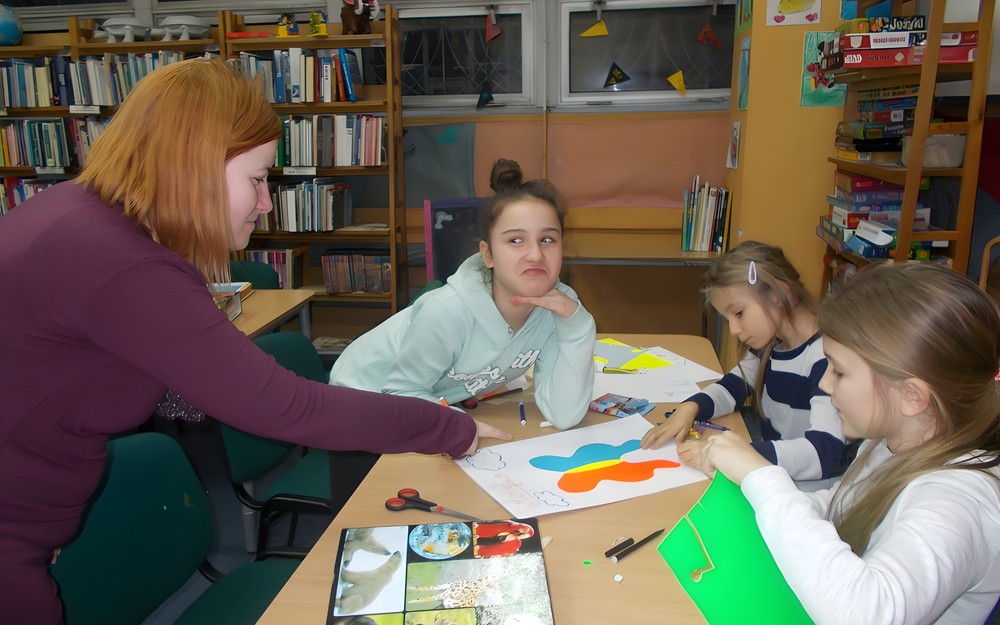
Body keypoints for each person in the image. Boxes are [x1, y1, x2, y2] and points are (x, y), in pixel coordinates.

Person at [0, 59, 508, 625]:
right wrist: (444, 427)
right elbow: (289, 406)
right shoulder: (121, 264)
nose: (267, 203)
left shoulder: (77, 215)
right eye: (257, 179)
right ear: (192, 166)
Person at [678, 263, 1000, 624]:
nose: (827, 385)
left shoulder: (960, 502)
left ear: (911, 395)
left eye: (840, 372)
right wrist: (766, 508)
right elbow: (843, 506)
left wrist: (763, 479)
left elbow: (868, 614)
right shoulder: (889, 443)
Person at [329, 159, 596, 430]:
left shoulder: (556, 309)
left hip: (422, 405)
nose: (536, 254)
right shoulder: (447, 310)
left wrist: (579, 324)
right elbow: (401, 393)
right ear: (488, 254)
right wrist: (461, 425)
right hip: (360, 404)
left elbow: (563, 414)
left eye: (548, 239)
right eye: (516, 240)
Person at [641, 241, 853, 490]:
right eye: (727, 318)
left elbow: (822, 453)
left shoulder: (827, 359)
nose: (733, 330)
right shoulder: (772, 344)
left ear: (778, 295)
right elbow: (733, 386)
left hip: (814, 494)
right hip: (774, 477)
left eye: (739, 313)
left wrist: (736, 455)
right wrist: (692, 407)